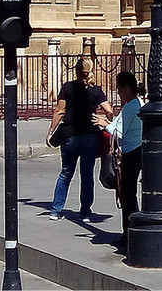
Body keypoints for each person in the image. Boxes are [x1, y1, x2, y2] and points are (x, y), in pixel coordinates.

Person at [46, 57, 108, 220]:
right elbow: (109, 110)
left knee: (66, 172)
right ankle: (86, 212)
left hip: (70, 134)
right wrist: (105, 121)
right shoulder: (97, 90)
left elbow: (59, 111)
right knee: (87, 174)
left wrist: (51, 131)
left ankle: (56, 210)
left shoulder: (68, 87)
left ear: (76, 70)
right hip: (90, 135)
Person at [102, 72, 143, 229]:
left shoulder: (130, 107)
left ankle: (129, 230)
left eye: (119, 89)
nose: (118, 92)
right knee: (128, 193)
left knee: (127, 193)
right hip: (136, 149)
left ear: (127, 88)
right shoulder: (138, 103)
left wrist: (104, 124)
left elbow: (119, 132)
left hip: (130, 152)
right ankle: (132, 228)